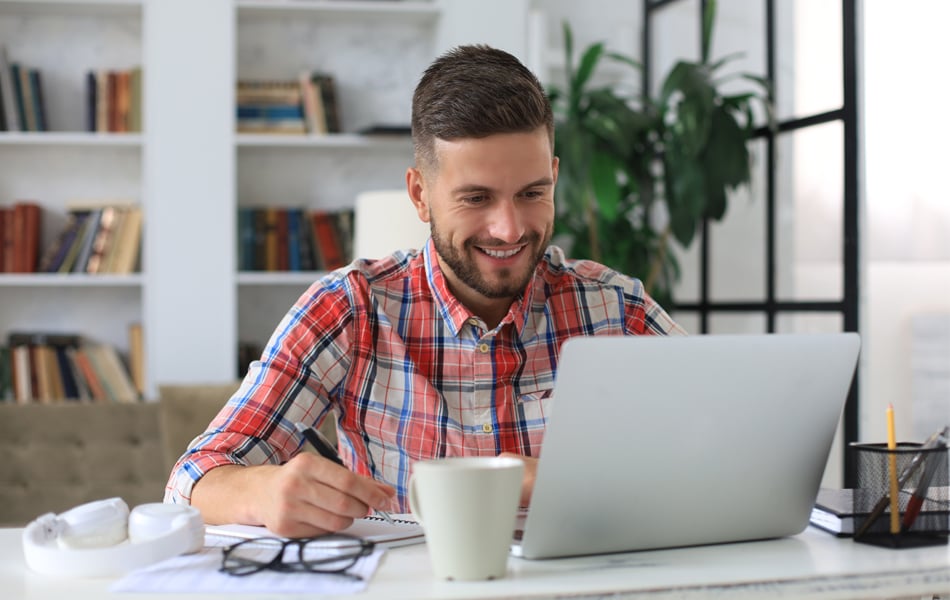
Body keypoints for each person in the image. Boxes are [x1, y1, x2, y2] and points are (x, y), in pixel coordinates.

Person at [165, 44, 685, 538]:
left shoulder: (616, 308)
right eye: (476, 198)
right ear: (420, 194)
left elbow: (736, 447)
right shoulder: (351, 307)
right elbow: (190, 482)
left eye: (531, 194)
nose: (509, 228)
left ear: (553, 177)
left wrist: (566, 480)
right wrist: (262, 490)